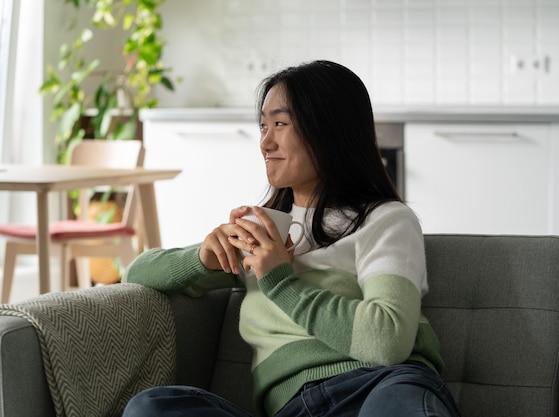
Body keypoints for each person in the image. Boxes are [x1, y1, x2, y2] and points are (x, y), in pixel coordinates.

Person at [121, 60, 460, 417]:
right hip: (291, 408)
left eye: (280, 124)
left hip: (379, 388)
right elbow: (137, 274)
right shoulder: (264, 228)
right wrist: (203, 258)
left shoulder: (385, 220)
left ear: (329, 128)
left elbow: (387, 340)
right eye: (263, 126)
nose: (265, 142)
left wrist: (280, 282)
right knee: (152, 407)